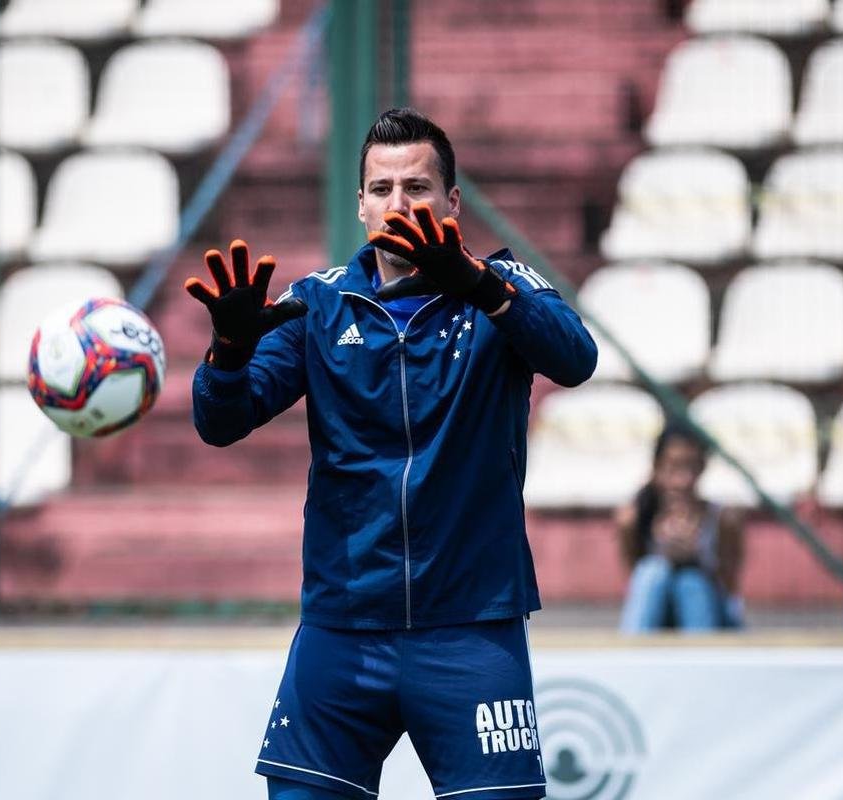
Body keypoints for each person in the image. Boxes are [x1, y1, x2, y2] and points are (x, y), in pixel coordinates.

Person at [186, 107, 597, 800]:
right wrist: (227, 352)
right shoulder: (319, 305)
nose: (398, 204)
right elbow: (220, 422)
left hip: (470, 628)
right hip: (343, 627)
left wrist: (477, 283)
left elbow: (575, 358)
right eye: (381, 189)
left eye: (417, 187)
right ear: (360, 205)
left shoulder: (501, 288)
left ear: (452, 201)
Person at [616, 423, 744, 634]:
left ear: (703, 468)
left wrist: (696, 559)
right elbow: (635, 584)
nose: (683, 480)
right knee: (652, 571)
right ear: (657, 468)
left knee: (690, 582)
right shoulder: (635, 518)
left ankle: (702, 652)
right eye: (673, 467)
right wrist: (664, 554)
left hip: (709, 614)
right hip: (659, 615)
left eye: (691, 467)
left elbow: (729, 591)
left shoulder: (722, 519)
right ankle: (634, 648)